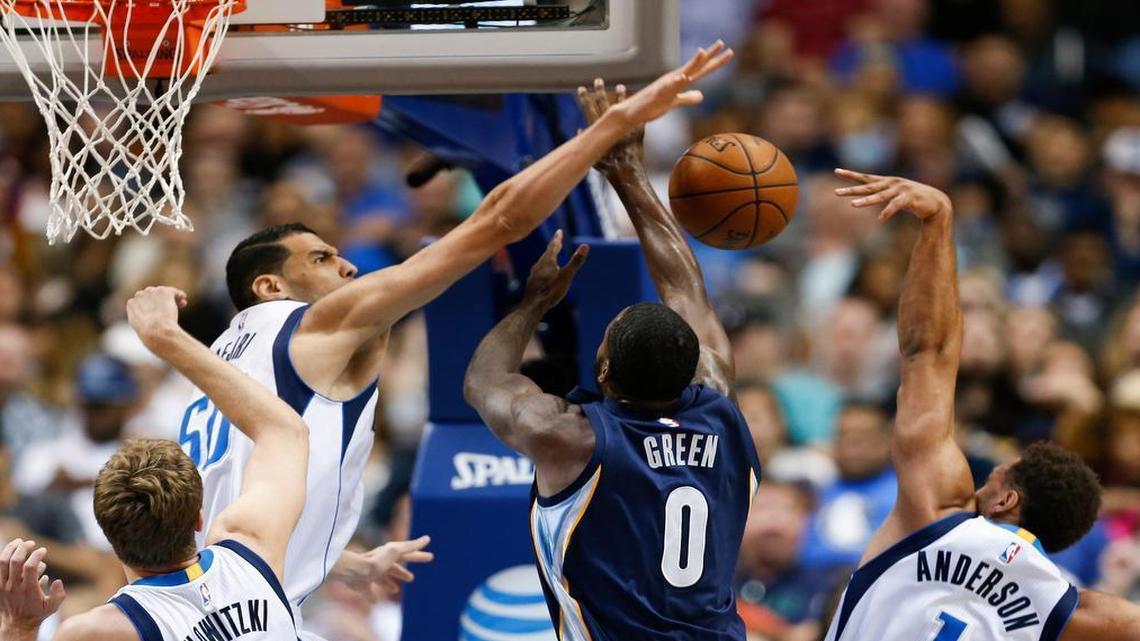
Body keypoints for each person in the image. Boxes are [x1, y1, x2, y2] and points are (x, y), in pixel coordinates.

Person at [184, 44, 735, 634]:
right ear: (268, 284)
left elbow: (226, 522)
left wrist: (327, 560)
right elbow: (500, 221)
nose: (347, 270)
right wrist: (610, 131)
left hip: (212, 603)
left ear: (603, 372)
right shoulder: (721, 413)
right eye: (323, 258)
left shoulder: (225, 359)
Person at [463, 80, 760, 641]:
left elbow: (483, 382)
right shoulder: (720, 406)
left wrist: (533, 303)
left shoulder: (570, 437)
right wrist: (628, 174)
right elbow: (686, 290)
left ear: (602, 374)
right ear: (694, 365)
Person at [823, 170, 1140, 641]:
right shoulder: (1077, 613)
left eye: (988, 481)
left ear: (1006, 499)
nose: (975, 489)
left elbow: (926, 353)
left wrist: (938, 223)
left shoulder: (932, 513)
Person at [0, 286, 398, 640]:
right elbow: (286, 430)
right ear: (198, 518)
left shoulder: (103, 629)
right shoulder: (250, 552)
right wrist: (166, 338)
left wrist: (20, 625)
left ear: (108, 533)